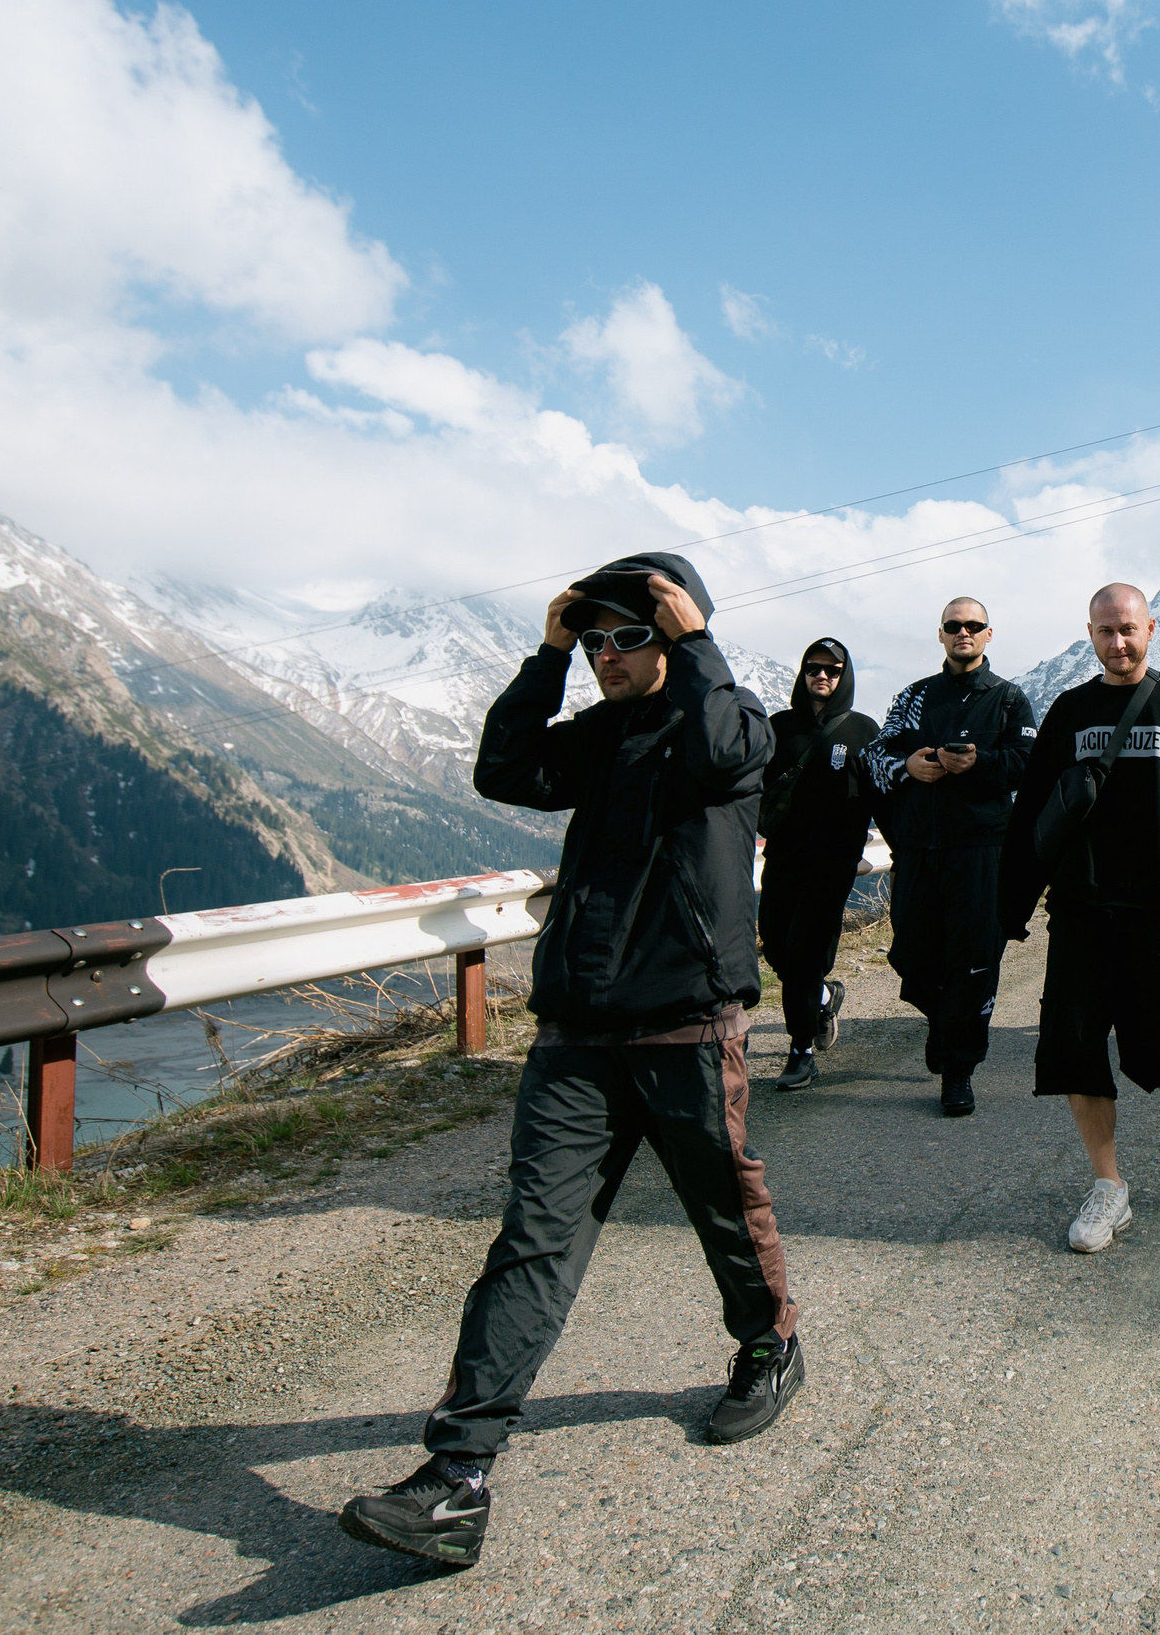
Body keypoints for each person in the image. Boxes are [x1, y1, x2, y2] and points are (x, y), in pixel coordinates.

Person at [338, 553, 799, 1569]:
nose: (604, 654)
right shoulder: (594, 734)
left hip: (687, 1025)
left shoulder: (732, 718)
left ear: (673, 632)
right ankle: (454, 1476)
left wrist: (695, 641)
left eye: (624, 634)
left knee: (722, 1205)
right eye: (592, 639)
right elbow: (503, 769)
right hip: (577, 1033)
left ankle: (769, 1341)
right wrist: (545, 655)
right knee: (532, 1242)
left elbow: (724, 754)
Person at [1002, 584, 1160, 1254]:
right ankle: (1111, 1188)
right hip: (1082, 911)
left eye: (1129, 629)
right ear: (1090, 633)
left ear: (1151, 629)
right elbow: (1032, 814)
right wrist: (1012, 904)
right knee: (1077, 1052)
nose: (1118, 642)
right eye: (1106, 631)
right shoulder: (1070, 711)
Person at [862, 597, 1036, 1117]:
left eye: (974, 625)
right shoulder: (914, 697)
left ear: (989, 634)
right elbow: (876, 755)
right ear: (940, 635)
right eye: (954, 626)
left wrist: (980, 763)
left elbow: (1029, 764)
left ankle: (959, 1070)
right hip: (917, 851)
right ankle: (941, 1022)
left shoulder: (1008, 699)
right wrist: (908, 765)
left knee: (976, 960)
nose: (964, 632)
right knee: (913, 955)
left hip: (982, 852)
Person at [759, 639, 880, 1092]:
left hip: (833, 863)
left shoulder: (863, 730)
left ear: (845, 674)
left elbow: (881, 794)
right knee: (775, 944)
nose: (822, 676)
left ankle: (801, 1051)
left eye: (832, 669)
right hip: (783, 856)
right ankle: (825, 998)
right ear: (803, 673)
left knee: (805, 954)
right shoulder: (778, 728)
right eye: (814, 668)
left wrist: (907, 846)